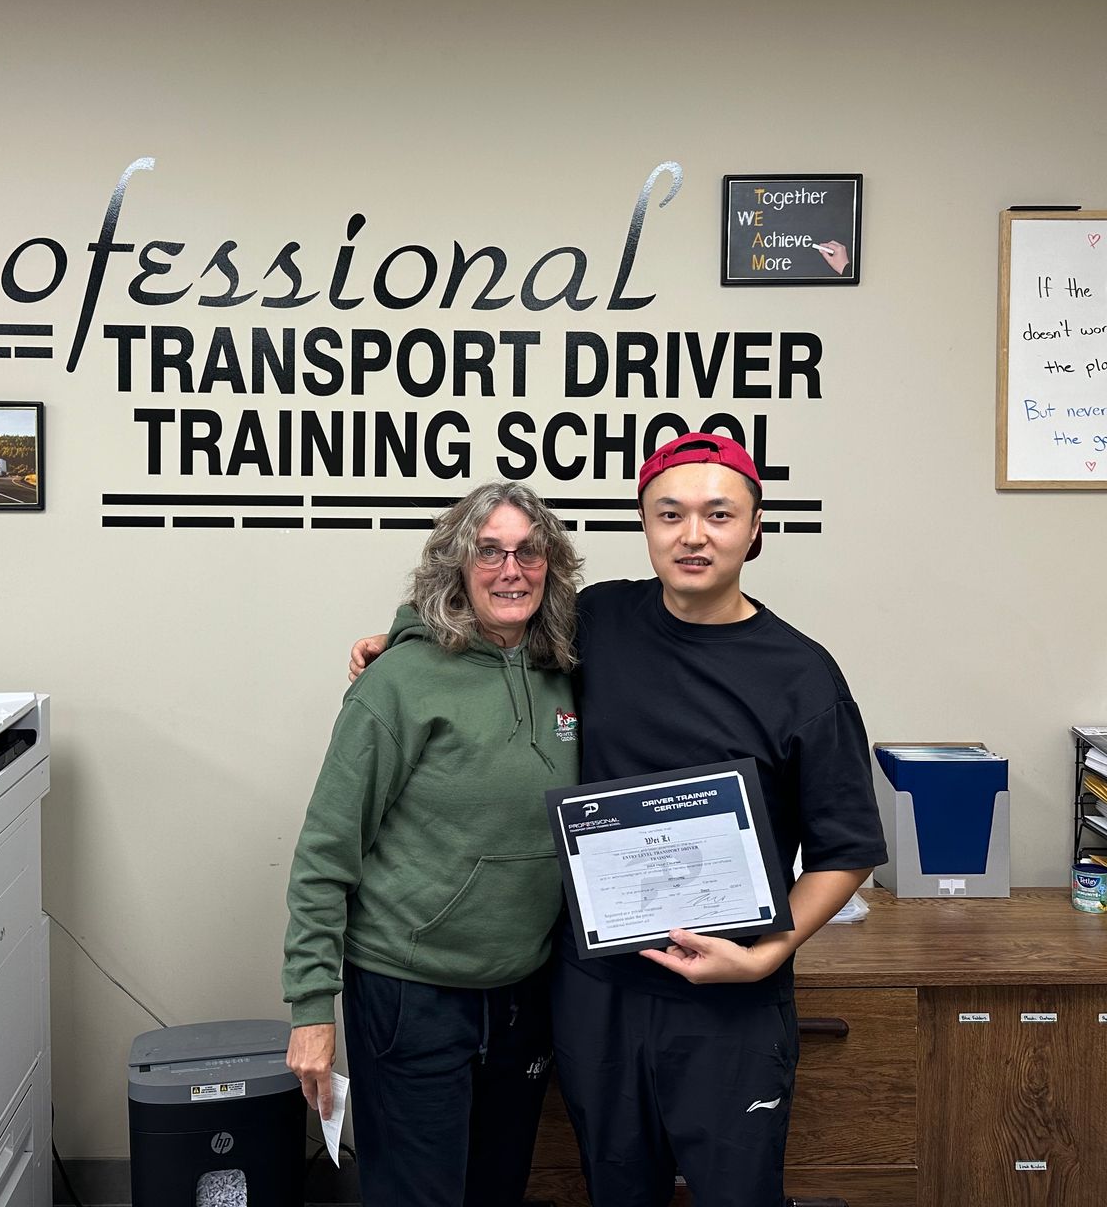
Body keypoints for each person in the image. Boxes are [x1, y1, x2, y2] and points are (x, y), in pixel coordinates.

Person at [350, 433, 886, 1207]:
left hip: (727, 998)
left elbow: (846, 850)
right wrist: (399, 642)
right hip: (596, 990)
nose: (692, 535)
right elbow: (485, 625)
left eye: (718, 514)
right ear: (644, 522)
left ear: (757, 525)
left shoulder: (802, 675)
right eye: (670, 514)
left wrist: (768, 954)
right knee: (614, 1187)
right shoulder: (597, 620)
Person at [283, 481, 584, 1207]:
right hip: (410, 993)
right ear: (456, 565)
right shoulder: (400, 684)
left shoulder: (573, 667)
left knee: (496, 1191)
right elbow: (326, 853)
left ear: (552, 564)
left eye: (529, 550)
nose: (511, 570)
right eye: (489, 552)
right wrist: (311, 1010)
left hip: (523, 994)